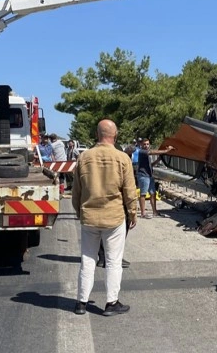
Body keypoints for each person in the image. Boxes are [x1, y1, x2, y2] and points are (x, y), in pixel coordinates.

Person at [72, 119, 137, 316]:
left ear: (97, 134)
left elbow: (76, 191)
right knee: (113, 261)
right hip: (114, 217)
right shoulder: (122, 158)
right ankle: (111, 302)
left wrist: (79, 212)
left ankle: (81, 302)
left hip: (89, 216)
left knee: (88, 259)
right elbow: (129, 190)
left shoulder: (84, 157)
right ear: (114, 135)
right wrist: (132, 212)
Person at [136, 138, 174, 219]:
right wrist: (166, 151)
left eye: (147, 144)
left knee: (153, 194)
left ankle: (155, 212)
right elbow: (152, 152)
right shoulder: (142, 152)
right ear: (141, 145)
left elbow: (150, 165)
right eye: (144, 144)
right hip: (143, 176)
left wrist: (157, 160)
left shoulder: (146, 154)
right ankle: (143, 213)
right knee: (143, 194)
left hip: (149, 176)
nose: (146, 146)